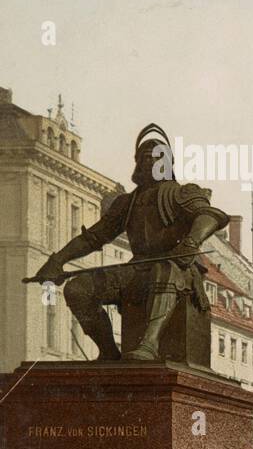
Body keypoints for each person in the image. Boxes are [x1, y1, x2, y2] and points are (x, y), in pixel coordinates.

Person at [28, 123, 229, 365]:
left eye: (155, 158)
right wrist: (57, 260)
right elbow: (94, 237)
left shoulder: (182, 193)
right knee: (78, 288)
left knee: (163, 269)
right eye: (143, 158)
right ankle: (109, 351)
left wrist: (191, 242)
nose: (148, 163)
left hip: (179, 269)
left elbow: (210, 216)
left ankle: (150, 344)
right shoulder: (127, 202)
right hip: (137, 270)